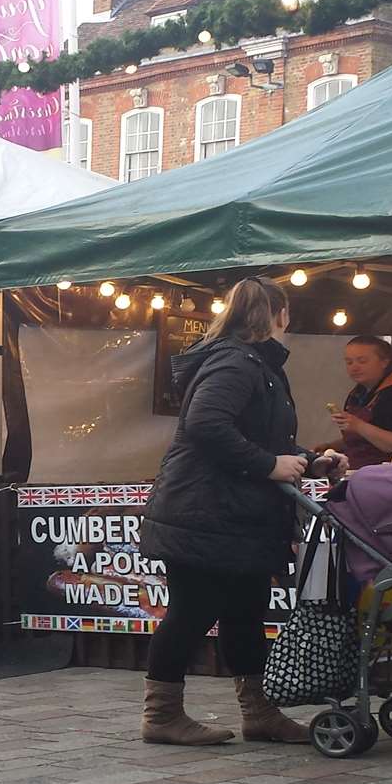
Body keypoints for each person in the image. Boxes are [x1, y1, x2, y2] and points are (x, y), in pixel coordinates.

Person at [139, 278, 346, 746]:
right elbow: (206, 425)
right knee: (192, 611)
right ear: (280, 314)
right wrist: (270, 464)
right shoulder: (236, 362)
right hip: (204, 513)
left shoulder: (255, 365)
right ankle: (161, 717)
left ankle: (259, 712)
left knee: (246, 613)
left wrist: (311, 459)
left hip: (234, 517)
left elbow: (261, 437)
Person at [330, 336, 392, 469]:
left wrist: (358, 425)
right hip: (356, 471)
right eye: (349, 362)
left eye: (362, 361)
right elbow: (365, 441)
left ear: (385, 362)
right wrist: (333, 447)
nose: (354, 367)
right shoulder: (356, 393)